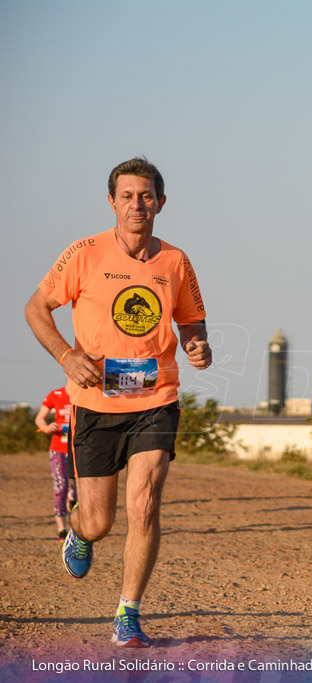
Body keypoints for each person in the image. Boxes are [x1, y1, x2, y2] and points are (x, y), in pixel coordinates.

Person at [24, 157, 212, 648]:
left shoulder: (176, 261)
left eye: (146, 196)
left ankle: (128, 614)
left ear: (161, 203)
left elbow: (191, 320)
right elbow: (36, 307)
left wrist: (197, 344)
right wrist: (66, 355)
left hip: (156, 397)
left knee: (145, 505)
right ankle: (81, 533)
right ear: (112, 202)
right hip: (95, 404)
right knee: (101, 520)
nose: (137, 204)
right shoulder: (84, 253)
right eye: (127, 196)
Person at [35, 384, 76, 540]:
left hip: (78, 449)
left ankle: (78, 530)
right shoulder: (55, 394)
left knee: (77, 488)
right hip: (58, 448)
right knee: (60, 486)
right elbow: (39, 418)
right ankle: (61, 529)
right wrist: (46, 428)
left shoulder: (84, 395)